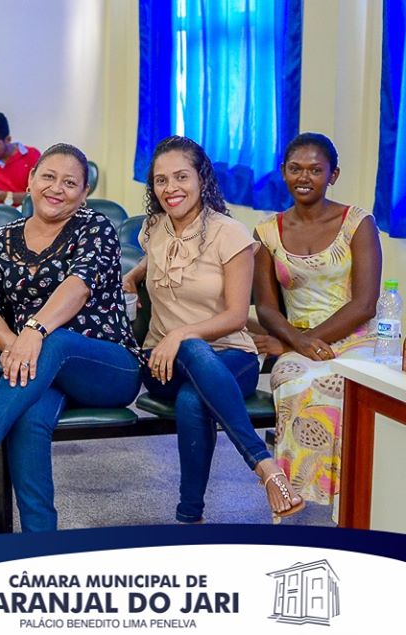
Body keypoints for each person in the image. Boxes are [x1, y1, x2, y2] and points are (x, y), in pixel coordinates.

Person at [0, 143, 141, 532]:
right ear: (31, 180)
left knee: (57, 340)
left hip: (107, 368)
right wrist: (14, 346)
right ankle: (40, 542)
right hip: (39, 370)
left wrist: (33, 333)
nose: (57, 188)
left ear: (84, 193)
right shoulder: (5, 238)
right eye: (48, 177)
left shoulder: (95, 228)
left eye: (70, 183)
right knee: (27, 418)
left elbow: (78, 287)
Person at [121, 135, 305, 524]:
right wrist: (134, 274)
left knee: (193, 397)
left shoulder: (230, 233)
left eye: (181, 177)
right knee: (189, 352)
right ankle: (264, 463)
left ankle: (189, 516)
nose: (170, 188)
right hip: (162, 363)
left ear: (202, 178)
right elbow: (160, 259)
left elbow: (236, 317)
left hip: (231, 356)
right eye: (160, 180)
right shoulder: (152, 228)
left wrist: (179, 334)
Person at [252, 132, 381, 519]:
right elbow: (266, 307)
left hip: (357, 339)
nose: (304, 177)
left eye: (315, 170)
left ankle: (351, 499)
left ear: (333, 175)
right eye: (295, 169)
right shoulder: (267, 232)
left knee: (341, 387)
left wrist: (300, 342)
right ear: (283, 172)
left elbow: (365, 303)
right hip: (299, 341)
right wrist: (297, 343)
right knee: (294, 382)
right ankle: (293, 494)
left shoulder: (358, 223)